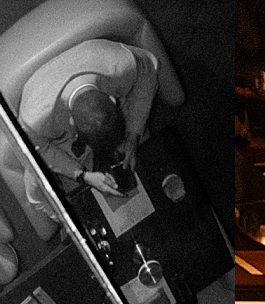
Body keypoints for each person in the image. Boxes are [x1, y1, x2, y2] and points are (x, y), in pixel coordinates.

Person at [17, 39, 159, 205]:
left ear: (112, 100)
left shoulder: (123, 64)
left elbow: (148, 73)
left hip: (97, 67)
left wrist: (133, 135)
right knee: (47, 185)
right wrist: (82, 175)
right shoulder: (34, 121)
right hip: (47, 114)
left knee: (143, 152)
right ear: (71, 124)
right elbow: (40, 150)